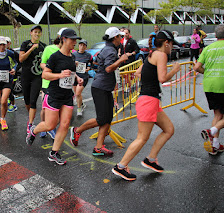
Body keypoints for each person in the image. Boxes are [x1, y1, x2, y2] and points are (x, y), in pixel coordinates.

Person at [111, 30, 181, 181]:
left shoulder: (152, 54)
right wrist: (174, 70)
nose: (172, 48)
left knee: (168, 130)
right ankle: (121, 166)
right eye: (172, 44)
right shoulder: (161, 54)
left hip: (150, 100)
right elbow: (162, 78)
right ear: (167, 43)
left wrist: (150, 79)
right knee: (142, 138)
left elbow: (137, 73)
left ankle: (151, 159)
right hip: (148, 101)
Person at [26, 29, 83, 165]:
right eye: (72, 39)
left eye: (76, 40)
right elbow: (45, 75)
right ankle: (34, 130)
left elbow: (71, 73)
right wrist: (59, 75)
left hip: (67, 95)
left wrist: (77, 78)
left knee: (64, 124)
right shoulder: (55, 57)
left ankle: (54, 153)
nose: (75, 42)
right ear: (64, 39)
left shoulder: (72, 57)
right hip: (54, 95)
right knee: (50, 124)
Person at [70, 27, 130, 156]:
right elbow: (108, 68)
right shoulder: (110, 50)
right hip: (100, 88)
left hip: (104, 87)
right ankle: (77, 130)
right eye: (120, 36)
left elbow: (97, 61)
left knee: (108, 118)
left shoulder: (107, 48)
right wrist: (121, 59)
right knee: (102, 119)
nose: (121, 38)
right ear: (115, 38)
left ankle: (98, 147)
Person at [194, 24, 224, 155]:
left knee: (218, 114)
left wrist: (206, 72)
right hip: (222, 84)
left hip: (209, 84)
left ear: (216, 35)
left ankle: (215, 145)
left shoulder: (208, 48)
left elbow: (196, 67)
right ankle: (211, 131)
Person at [39, 28, 67, 139]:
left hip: (62, 84)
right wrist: (50, 70)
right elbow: (42, 63)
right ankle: (44, 127)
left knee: (58, 109)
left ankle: (51, 127)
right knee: (45, 108)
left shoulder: (70, 51)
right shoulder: (49, 48)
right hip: (48, 83)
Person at [19, 25, 46, 134]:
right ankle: (30, 117)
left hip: (37, 76)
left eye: (39, 32)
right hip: (26, 76)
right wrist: (31, 49)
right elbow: (21, 59)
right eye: (35, 32)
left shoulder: (44, 46)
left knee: (33, 100)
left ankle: (30, 123)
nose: (37, 34)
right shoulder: (25, 44)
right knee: (27, 101)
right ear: (31, 33)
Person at [72, 39, 93, 116]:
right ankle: (82, 103)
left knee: (77, 93)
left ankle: (79, 109)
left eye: (84, 45)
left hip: (83, 76)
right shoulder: (73, 54)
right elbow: (69, 64)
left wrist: (89, 68)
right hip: (74, 76)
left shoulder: (88, 55)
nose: (82, 46)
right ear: (78, 45)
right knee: (76, 93)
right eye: (80, 45)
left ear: (86, 47)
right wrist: (74, 64)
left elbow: (92, 64)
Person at [5, 36, 19, 113]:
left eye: (7, 42)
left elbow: (19, 62)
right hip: (3, 76)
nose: (5, 44)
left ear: (10, 43)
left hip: (12, 76)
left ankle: (13, 105)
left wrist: (14, 69)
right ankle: (8, 101)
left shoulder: (14, 53)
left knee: (10, 91)